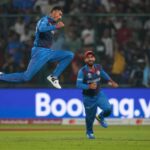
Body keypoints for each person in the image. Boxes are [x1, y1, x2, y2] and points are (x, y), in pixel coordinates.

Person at [0, 6, 74, 89]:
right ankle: (1, 76)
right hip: (40, 52)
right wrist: (56, 26)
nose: (60, 17)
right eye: (59, 14)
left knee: (69, 55)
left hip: (47, 52)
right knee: (26, 77)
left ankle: (53, 77)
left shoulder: (50, 23)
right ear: (54, 12)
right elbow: (41, 29)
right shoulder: (44, 20)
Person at [76, 50, 118, 139]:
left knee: (108, 109)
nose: (90, 59)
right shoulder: (82, 71)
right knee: (90, 118)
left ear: (94, 58)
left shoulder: (98, 67)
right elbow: (78, 84)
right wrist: (89, 86)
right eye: (88, 57)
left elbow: (104, 74)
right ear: (85, 60)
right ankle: (89, 133)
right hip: (88, 97)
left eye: (92, 57)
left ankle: (100, 117)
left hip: (99, 94)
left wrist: (111, 81)